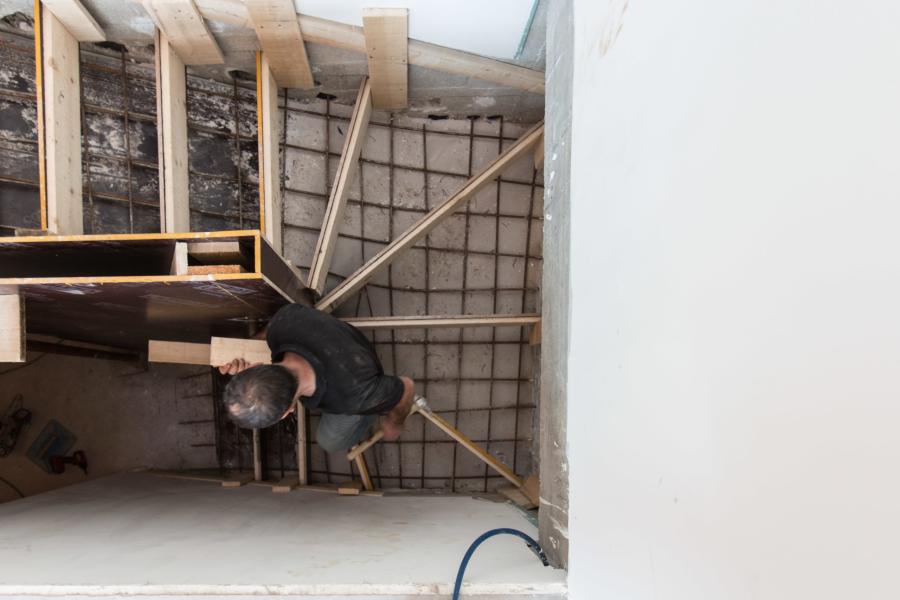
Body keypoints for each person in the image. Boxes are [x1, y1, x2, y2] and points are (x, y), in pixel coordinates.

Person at [218, 304, 416, 454]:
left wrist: (395, 421)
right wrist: (250, 346)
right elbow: (272, 328)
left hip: (357, 379)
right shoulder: (284, 323)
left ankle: (368, 415)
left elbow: (406, 386)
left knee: (330, 442)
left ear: (287, 412)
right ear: (255, 365)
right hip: (343, 346)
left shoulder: (354, 396)